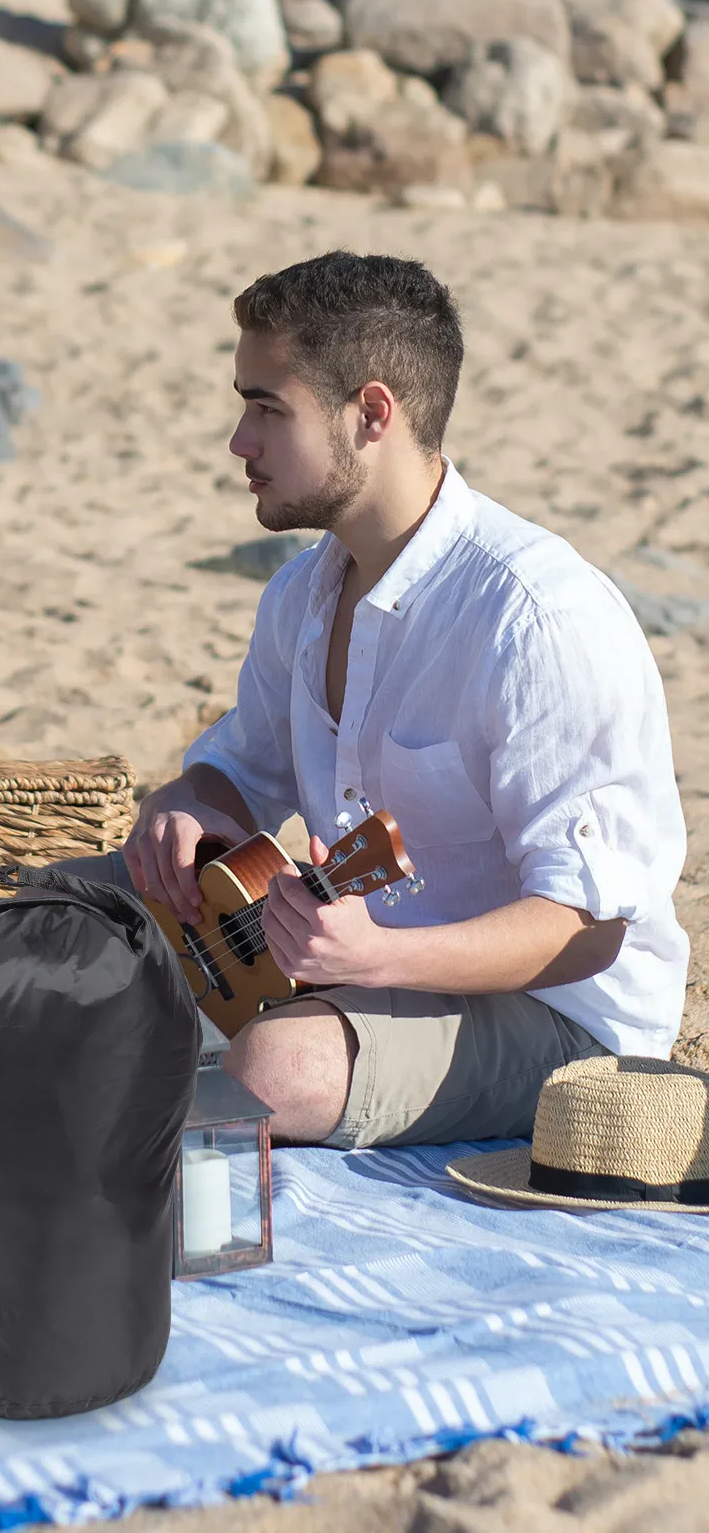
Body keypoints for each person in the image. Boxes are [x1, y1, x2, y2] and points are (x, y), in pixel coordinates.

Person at [92, 251, 687, 1147]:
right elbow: (234, 778)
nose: (238, 443)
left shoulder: (537, 620)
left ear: (372, 413)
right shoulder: (302, 595)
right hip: (349, 976)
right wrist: (180, 811)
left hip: (561, 1026)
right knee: (61, 914)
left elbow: (588, 930)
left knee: (276, 1070)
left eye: (266, 408)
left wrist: (380, 957)